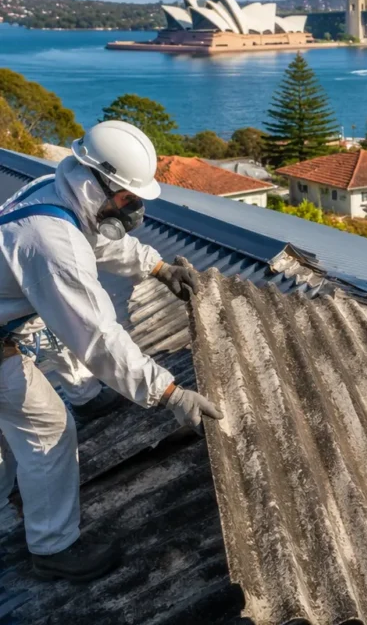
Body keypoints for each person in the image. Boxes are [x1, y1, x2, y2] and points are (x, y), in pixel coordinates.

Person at [0, 120, 222, 582]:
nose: (134, 209)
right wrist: (168, 393)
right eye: (127, 198)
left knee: (11, 432)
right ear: (95, 181)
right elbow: (97, 336)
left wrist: (157, 267)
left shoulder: (55, 188)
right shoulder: (49, 243)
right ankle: (53, 548)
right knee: (48, 429)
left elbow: (97, 239)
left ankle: (17, 501)